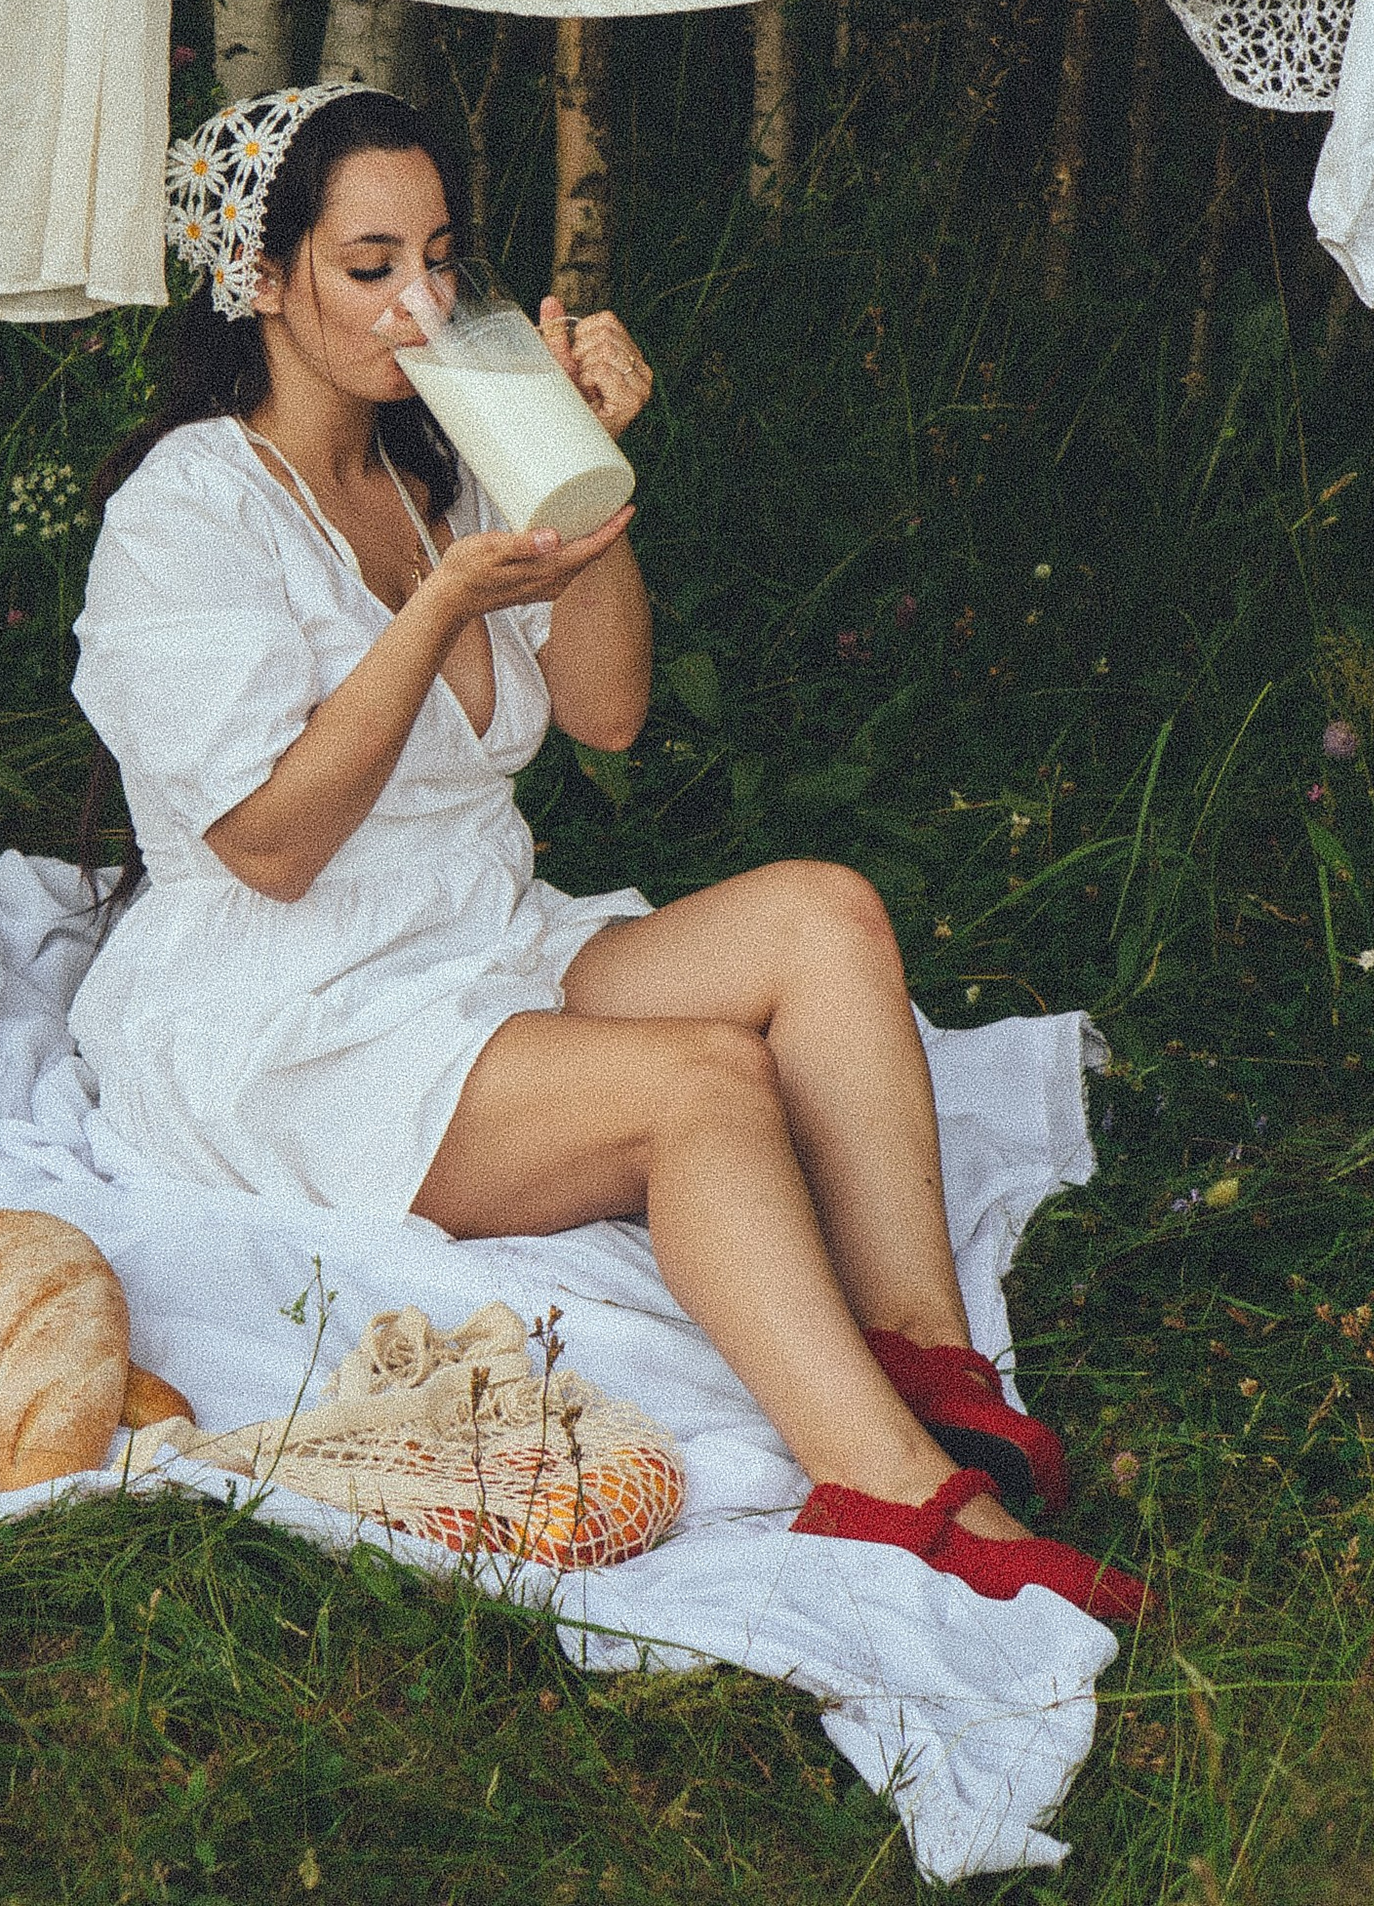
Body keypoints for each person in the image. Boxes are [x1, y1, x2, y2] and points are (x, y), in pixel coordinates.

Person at [70, 78, 1140, 1626]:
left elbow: (609, 713)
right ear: (261, 281)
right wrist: (437, 610)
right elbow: (275, 844)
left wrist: (586, 481)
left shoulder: (435, 459)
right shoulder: (190, 512)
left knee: (824, 916)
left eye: (441, 255)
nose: (423, 303)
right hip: (291, 1010)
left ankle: (924, 1356)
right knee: (701, 1084)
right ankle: (894, 1491)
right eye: (371, 268)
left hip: (477, 936)